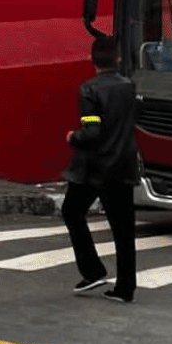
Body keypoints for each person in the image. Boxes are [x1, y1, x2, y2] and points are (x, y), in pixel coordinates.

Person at [63, 36, 140, 304]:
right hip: (123, 165)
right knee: (123, 229)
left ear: (92, 60)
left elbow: (92, 131)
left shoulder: (89, 90)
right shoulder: (129, 87)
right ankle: (126, 287)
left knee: (72, 212)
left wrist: (74, 137)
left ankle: (93, 270)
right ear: (118, 59)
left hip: (94, 168)